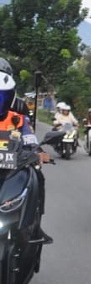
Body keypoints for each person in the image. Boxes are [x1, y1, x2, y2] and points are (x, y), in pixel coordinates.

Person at [0, 58, 52, 239]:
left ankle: (34, 223)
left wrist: (36, 152)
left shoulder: (19, 117)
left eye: (1, 96)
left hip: (12, 168)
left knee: (36, 176)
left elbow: (29, 137)